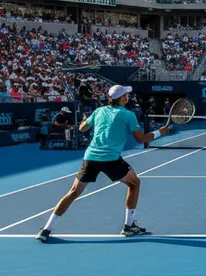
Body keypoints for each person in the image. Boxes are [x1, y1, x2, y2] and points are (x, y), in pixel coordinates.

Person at [35, 85, 171, 242]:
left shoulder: (98, 111)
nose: (128, 97)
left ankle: (46, 229)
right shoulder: (128, 115)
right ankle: (128, 226)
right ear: (121, 98)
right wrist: (159, 132)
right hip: (111, 159)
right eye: (127, 94)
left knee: (73, 192)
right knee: (134, 183)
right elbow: (141, 139)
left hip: (91, 158)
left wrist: (86, 121)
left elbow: (82, 128)